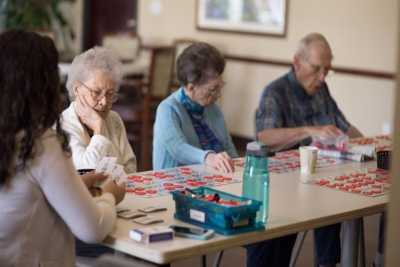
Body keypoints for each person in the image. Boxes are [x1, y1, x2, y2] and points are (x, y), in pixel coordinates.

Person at [0, 30, 125, 267]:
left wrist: (78, 185)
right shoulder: (41, 144)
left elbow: (28, 194)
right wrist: (109, 194)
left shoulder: (11, 137)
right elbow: (93, 229)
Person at [255, 33, 363, 267]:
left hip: (319, 181)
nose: (322, 77)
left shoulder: (321, 90)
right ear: (297, 62)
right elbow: (264, 137)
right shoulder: (275, 92)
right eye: (317, 69)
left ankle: (329, 263)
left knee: (336, 196)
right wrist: (308, 131)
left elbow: (344, 126)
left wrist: (369, 145)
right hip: (281, 187)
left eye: (327, 70)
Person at [153, 42, 237, 173]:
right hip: (174, 186)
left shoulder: (213, 109)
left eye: (220, 86)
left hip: (210, 182)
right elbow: (178, 148)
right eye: (213, 89)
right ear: (190, 87)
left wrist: (239, 168)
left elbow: (228, 148)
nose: (218, 94)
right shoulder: (168, 109)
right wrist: (209, 157)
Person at [61, 46, 136, 173]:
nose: (104, 102)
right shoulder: (64, 125)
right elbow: (86, 170)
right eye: (96, 92)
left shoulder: (114, 119)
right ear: (76, 89)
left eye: (110, 93)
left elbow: (130, 168)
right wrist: (99, 129)